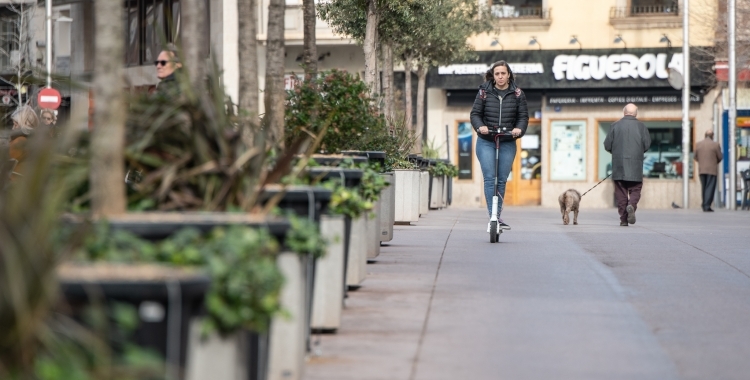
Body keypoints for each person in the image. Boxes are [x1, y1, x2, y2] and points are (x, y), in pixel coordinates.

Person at [470, 60, 528, 231]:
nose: (500, 76)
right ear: (493, 75)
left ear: (508, 74)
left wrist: (519, 129)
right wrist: (480, 126)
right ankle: (493, 216)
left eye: (503, 73)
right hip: (487, 141)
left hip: (508, 140)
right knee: (490, 178)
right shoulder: (484, 92)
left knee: (501, 179)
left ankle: (497, 214)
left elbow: (523, 116)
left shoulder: (518, 94)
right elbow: (475, 114)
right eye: (497, 74)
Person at [604, 103, 651, 226]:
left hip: (619, 165)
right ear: (636, 114)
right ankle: (631, 205)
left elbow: (607, 145)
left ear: (624, 112)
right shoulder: (642, 127)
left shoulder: (614, 126)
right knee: (635, 189)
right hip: (635, 165)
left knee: (621, 193)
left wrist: (616, 153)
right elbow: (646, 145)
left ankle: (623, 220)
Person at [694, 129, 722, 212]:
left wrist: (701, 162)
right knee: (710, 187)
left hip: (701, 169)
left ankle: (704, 204)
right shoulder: (716, 145)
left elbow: (695, 156)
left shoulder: (698, 144)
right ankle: (706, 205)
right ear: (712, 136)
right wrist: (714, 161)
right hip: (712, 169)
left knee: (704, 187)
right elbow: (720, 157)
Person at [9, 105, 40, 176]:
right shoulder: (35, 142)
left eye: (15, 125)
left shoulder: (19, 142)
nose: (13, 128)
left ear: (24, 125)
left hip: (14, 183)